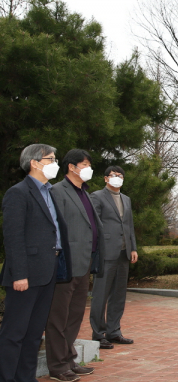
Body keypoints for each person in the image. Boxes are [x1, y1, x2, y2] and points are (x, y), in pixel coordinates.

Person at [0, 144, 72, 382]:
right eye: (51, 159)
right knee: (14, 334)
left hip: (47, 271)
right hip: (26, 275)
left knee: (33, 335)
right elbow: (13, 237)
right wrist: (19, 274)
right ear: (34, 162)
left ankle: (25, 377)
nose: (55, 163)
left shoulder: (49, 192)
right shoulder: (18, 193)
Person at [47, 149, 106, 382]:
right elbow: (55, 228)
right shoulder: (57, 191)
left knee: (74, 316)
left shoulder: (85, 193)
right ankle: (57, 366)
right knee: (58, 317)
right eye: (84, 164)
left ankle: (69, 359)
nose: (88, 169)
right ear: (71, 167)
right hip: (66, 264)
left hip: (85, 262)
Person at [89, 166, 138, 349]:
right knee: (100, 295)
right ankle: (98, 333)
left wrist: (133, 247)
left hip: (124, 253)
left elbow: (129, 225)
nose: (117, 178)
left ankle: (114, 331)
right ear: (105, 178)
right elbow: (95, 224)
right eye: (113, 175)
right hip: (106, 253)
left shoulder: (126, 199)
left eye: (120, 175)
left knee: (119, 295)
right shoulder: (97, 196)